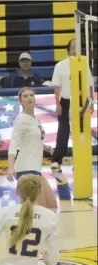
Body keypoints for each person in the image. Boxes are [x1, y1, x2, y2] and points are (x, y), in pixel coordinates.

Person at [7, 87, 58, 212]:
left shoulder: (35, 119)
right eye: (25, 96)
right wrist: (10, 167)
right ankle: (24, 230)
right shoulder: (21, 120)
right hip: (26, 169)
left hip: (36, 169)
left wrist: (44, 146)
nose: (29, 97)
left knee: (52, 206)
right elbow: (14, 143)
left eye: (31, 95)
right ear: (20, 101)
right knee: (39, 210)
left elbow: (32, 138)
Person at [50, 39, 94, 170]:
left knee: (82, 131)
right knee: (63, 130)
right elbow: (57, 87)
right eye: (74, 47)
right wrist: (57, 103)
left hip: (81, 101)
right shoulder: (60, 66)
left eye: (78, 46)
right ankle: (57, 160)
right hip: (66, 100)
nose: (76, 49)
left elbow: (90, 84)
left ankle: (80, 160)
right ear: (68, 49)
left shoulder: (84, 64)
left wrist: (91, 101)